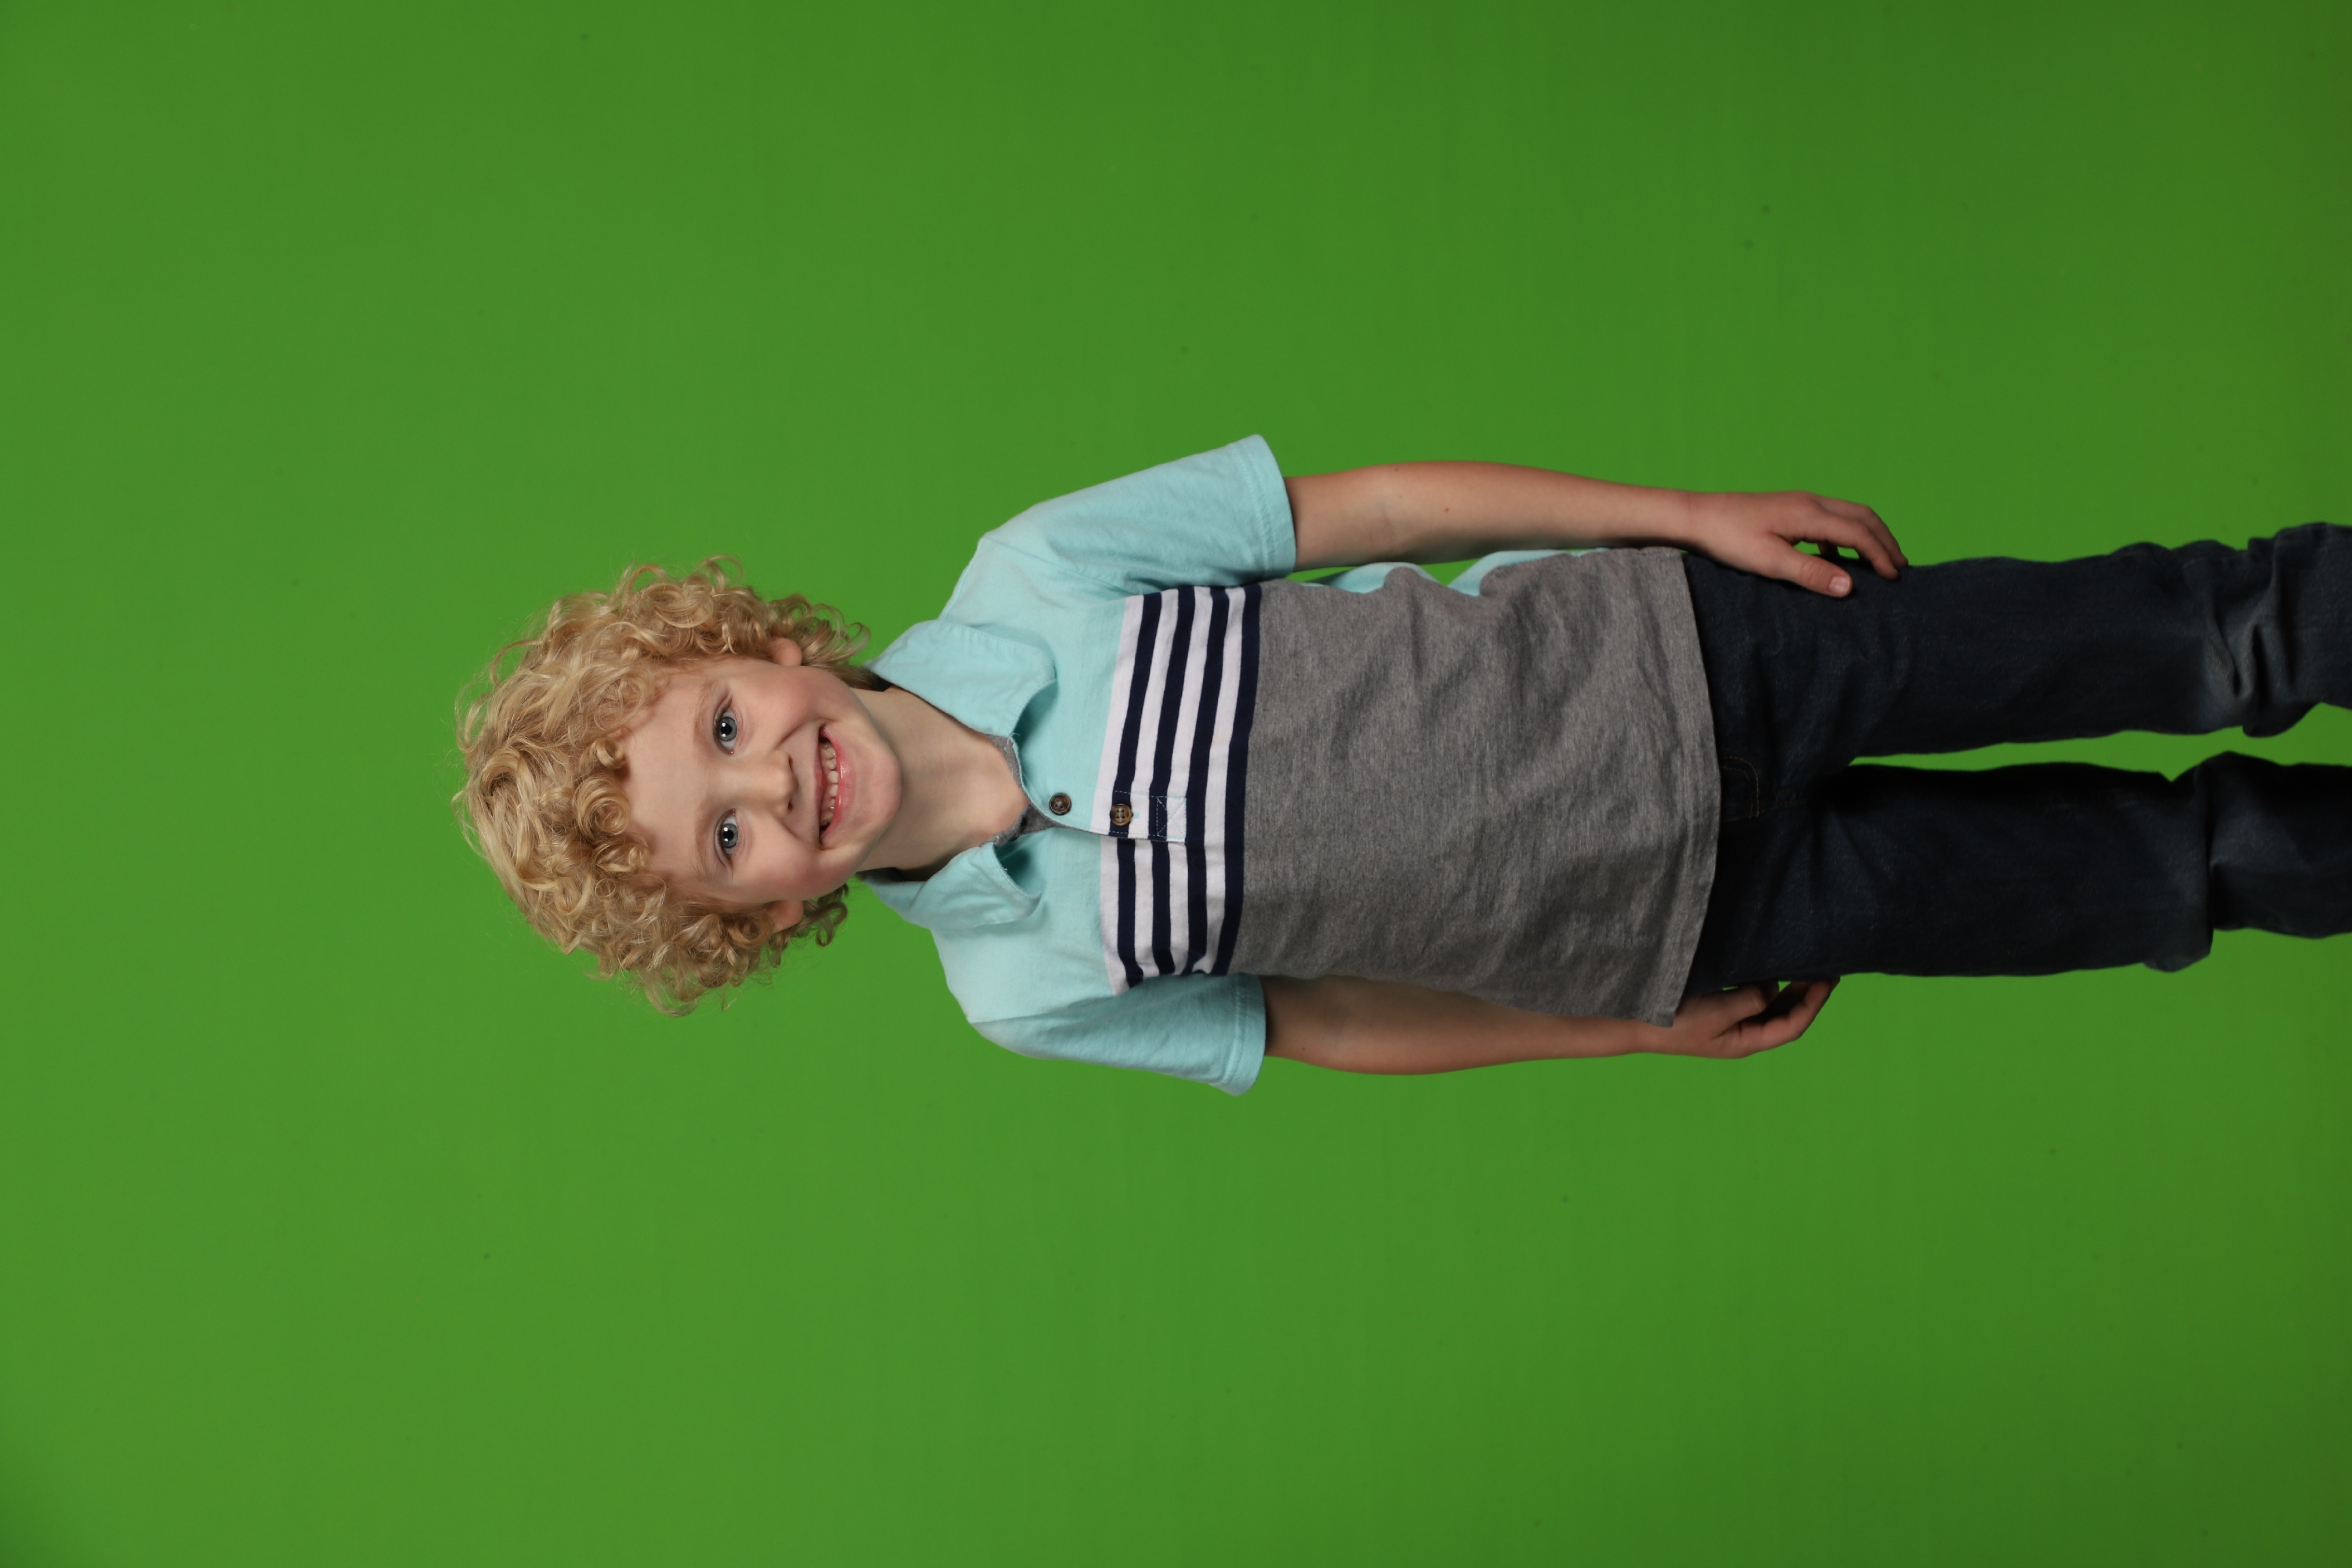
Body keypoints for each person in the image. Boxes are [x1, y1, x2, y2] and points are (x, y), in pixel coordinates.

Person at [455, 437, 2352, 1094]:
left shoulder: (1036, 575)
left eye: (723, 730)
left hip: (1703, 658)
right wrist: (1618, 1033)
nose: (773, 786)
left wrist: (1681, 516)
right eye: (725, 841)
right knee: (2168, 877)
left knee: (2210, 639)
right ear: (753, 915)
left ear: (753, 644)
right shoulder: (1019, 988)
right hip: (1695, 920)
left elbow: (1364, 508)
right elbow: (1332, 1022)